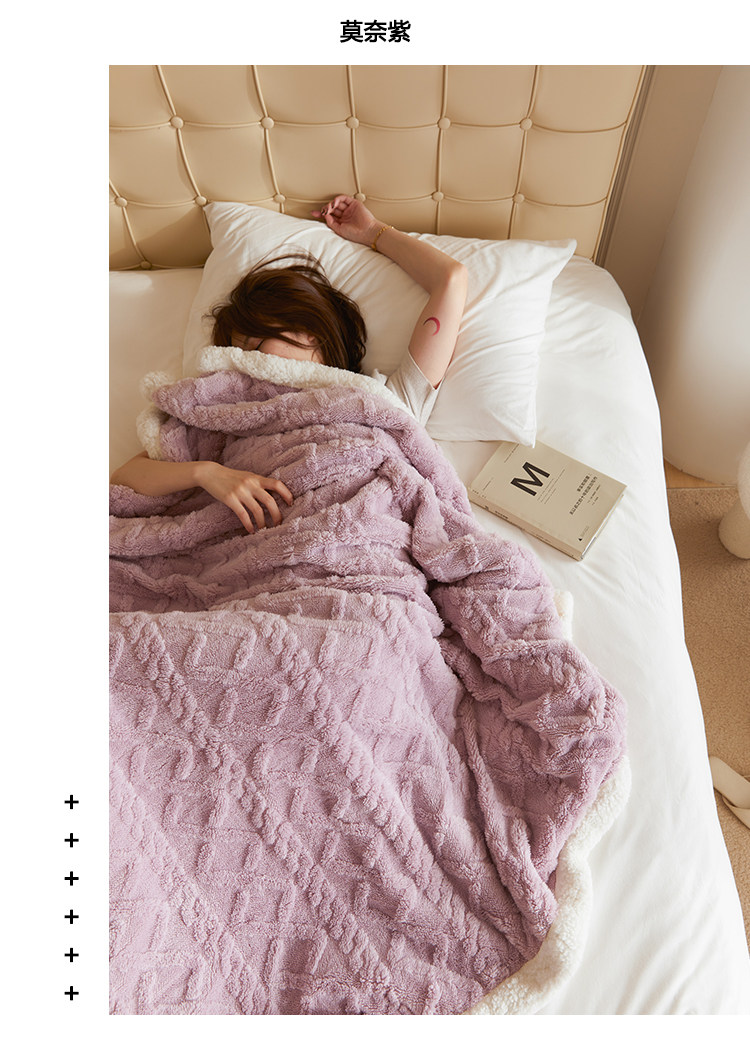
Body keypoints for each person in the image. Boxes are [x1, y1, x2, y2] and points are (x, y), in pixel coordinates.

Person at [110, 194, 468, 534]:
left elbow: (451, 279)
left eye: (256, 344)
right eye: (236, 352)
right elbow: (126, 480)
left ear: (309, 331)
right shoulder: (228, 410)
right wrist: (206, 474)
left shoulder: (384, 401)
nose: (245, 360)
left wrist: (373, 232)